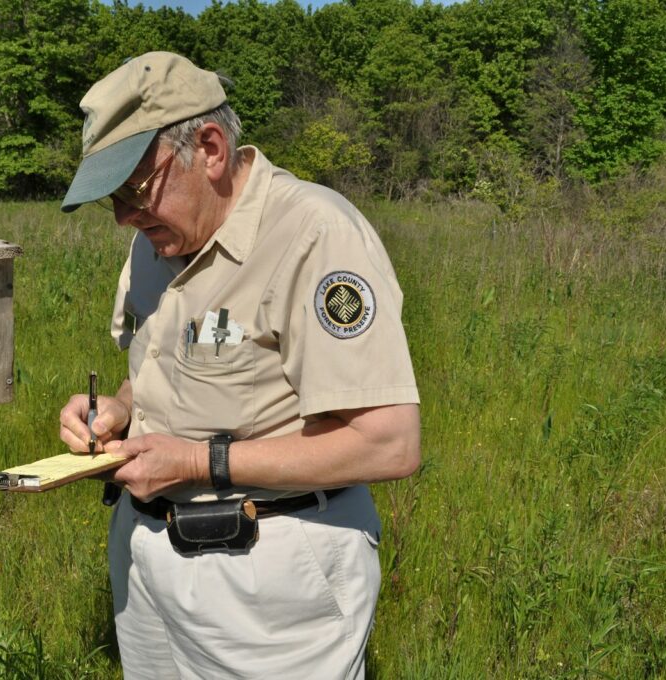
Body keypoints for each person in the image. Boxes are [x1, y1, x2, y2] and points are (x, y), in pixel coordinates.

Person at [57, 51, 420, 679]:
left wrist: (201, 462)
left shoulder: (314, 234)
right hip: (144, 563)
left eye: (134, 192)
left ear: (211, 148)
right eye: (110, 201)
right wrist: (118, 410)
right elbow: (157, 369)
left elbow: (389, 444)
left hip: (269, 586)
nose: (124, 218)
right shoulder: (156, 241)